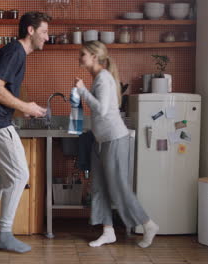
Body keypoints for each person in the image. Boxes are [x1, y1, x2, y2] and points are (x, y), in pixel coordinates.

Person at [0, 12, 51, 253]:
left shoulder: (16, 53)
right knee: (19, 176)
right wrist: (26, 106)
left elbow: (0, 93)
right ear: (30, 30)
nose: (47, 37)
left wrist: (21, 109)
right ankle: (4, 234)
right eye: (44, 32)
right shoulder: (14, 52)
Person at [72, 41, 159, 248]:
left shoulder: (103, 78)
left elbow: (101, 110)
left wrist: (82, 91)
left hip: (115, 139)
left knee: (118, 187)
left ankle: (148, 224)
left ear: (94, 56)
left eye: (82, 54)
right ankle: (108, 231)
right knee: (99, 187)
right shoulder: (99, 77)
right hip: (101, 140)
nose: (79, 57)